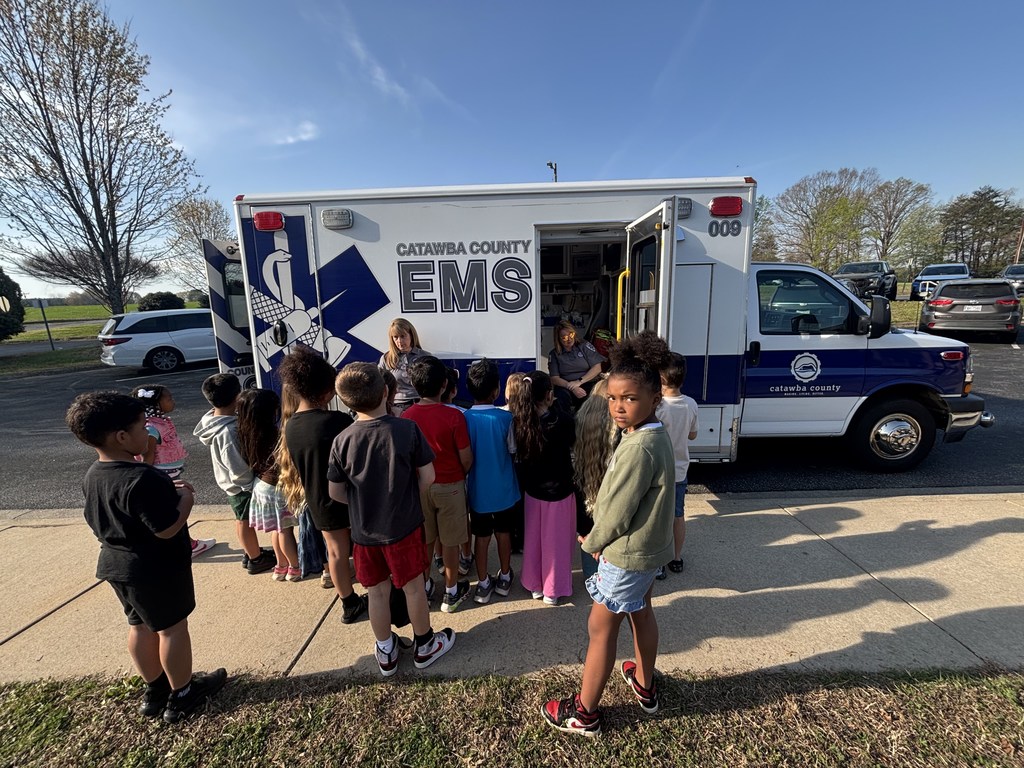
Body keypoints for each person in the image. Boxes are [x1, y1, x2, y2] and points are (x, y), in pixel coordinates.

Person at [542, 331, 675, 737]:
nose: (618, 407)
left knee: (601, 629)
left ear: (655, 399)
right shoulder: (650, 434)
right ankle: (645, 685)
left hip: (626, 553)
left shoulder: (639, 448)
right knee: (642, 612)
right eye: (613, 398)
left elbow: (617, 512)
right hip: (649, 550)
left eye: (630, 399)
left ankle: (584, 714)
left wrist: (593, 542)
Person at [66, 391, 226, 724]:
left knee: (139, 625)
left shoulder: (93, 475)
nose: (147, 434)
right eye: (143, 428)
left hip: (116, 564)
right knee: (172, 629)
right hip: (155, 568)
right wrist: (185, 499)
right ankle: (182, 693)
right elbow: (166, 528)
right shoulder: (144, 478)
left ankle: (155, 690)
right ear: (121, 437)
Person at [327, 362, 455, 676]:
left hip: (364, 533)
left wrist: (361, 503)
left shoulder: (342, 440)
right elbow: (428, 476)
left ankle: (386, 650)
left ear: (345, 400)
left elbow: (335, 492)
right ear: (386, 392)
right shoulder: (406, 429)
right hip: (404, 527)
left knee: (377, 592)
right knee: (413, 588)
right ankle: (425, 644)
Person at [278, 345, 367, 623]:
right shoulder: (337, 421)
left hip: (318, 500)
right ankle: (374, 588)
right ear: (328, 391)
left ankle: (348, 601)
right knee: (361, 548)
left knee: (335, 552)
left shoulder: (290, 425)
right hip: (347, 497)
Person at [402, 355, 474, 613]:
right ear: (444, 385)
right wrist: (459, 473)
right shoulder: (454, 416)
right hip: (451, 485)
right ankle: (451, 592)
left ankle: (424, 587)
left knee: (426, 541)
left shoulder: (407, 417)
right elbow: (466, 457)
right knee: (451, 541)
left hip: (420, 488)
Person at [194, 374, 276, 575]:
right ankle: (255, 558)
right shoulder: (227, 432)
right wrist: (251, 485)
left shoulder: (213, 419)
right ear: (237, 395)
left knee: (242, 520)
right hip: (239, 486)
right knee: (244, 521)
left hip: (232, 483)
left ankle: (252, 552)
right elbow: (236, 466)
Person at [508, 370, 576, 605]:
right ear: (549, 394)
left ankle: (535, 584)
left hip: (532, 491)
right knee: (555, 542)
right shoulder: (562, 421)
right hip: (559, 491)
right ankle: (552, 589)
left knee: (535, 540)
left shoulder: (520, 422)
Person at [131, 384, 215, 558]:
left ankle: (185, 543)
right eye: (169, 398)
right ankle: (188, 545)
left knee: (172, 510)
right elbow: (148, 456)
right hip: (163, 475)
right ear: (155, 404)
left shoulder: (159, 422)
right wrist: (149, 477)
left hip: (168, 473)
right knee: (175, 511)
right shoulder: (151, 427)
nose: (173, 401)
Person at [462, 358, 520, 604]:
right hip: (505, 489)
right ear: (497, 389)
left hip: (477, 491)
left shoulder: (463, 419)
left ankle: (483, 583)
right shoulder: (506, 418)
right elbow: (513, 450)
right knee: (504, 533)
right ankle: (505, 576)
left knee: (481, 537)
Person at [237, 388, 301, 582]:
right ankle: (294, 567)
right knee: (285, 531)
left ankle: (280, 566)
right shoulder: (274, 434)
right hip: (277, 489)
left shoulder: (244, 433)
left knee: (276, 529)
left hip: (261, 487)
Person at [276, 383, 330, 587]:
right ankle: (331, 572)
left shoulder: (287, 427)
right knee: (330, 541)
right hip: (322, 493)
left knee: (316, 537)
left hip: (302, 494)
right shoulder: (317, 425)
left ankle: (326, 571)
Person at [656, 351, 699, 577]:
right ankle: (676, 557)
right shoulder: (690, 404)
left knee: (657, 519)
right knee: (677, 515)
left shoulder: (658, 406)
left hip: (658, 471)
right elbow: (692, 435)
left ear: (661, 379)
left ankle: (659, 563)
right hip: (680, 470)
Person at [572, 379, 616, 582]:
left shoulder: (580, 419)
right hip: (609, 492)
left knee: (587, 534)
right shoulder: (617, 426)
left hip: (585, 485)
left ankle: (592, 577)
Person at [547, 320, 605, 412]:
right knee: (561, 398)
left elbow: (597, 368)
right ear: (558, 339)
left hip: (586, 382)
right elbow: (554, 378)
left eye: (571, 335)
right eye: (564, 338)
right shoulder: (554, 354)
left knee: (590, 397)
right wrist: (572, 386)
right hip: (565, 385)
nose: (569, 339)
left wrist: (579, 382)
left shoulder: (584, 346)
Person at [378, 318, 430, 416]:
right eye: (395, 337)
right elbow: (379, 384)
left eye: (403, 336)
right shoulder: (386, 358)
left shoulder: (425, 357)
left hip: (421, 404)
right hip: (396, 407)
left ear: (411, 335)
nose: (399, 341)